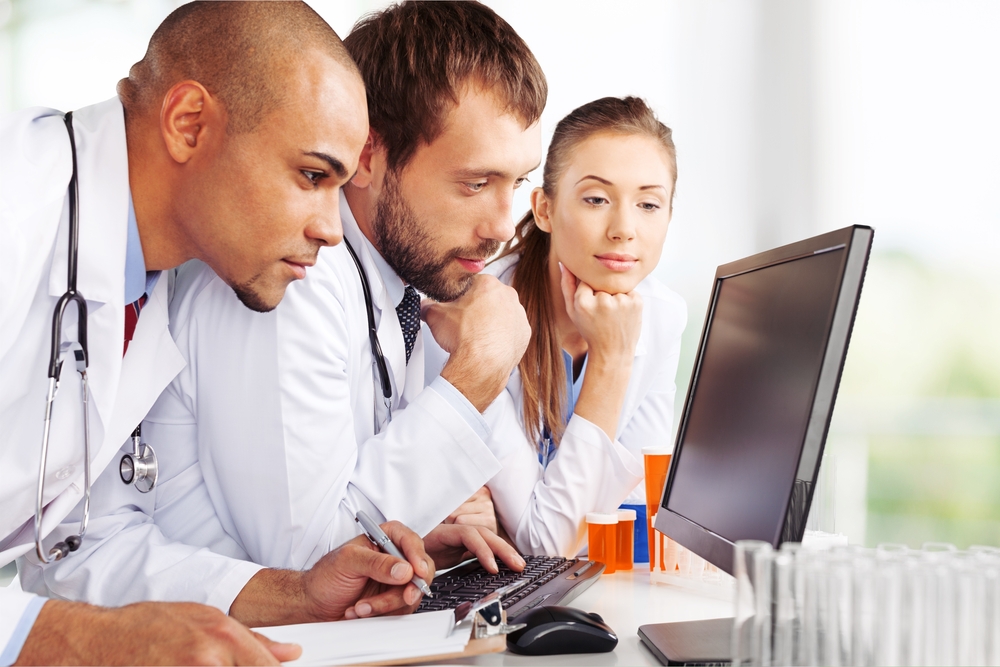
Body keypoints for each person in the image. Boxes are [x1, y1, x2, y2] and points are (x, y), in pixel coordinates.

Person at [26, 0, 544, 609]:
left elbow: (84, 542)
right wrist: (478, 373)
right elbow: (312, 558)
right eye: (476, 183)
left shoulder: (386, 288)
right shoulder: (278, 268)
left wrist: (405, 534)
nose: (503, 225)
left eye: (519, 183)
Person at [460, 97, 687, 557]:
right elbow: (551, 543)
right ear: (544, 209)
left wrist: (518, 521)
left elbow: (641, 512)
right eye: (597, 199)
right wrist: (612, 361)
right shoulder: (480, 315)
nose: (624, 228)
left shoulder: (663, 316)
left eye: (648, 204)